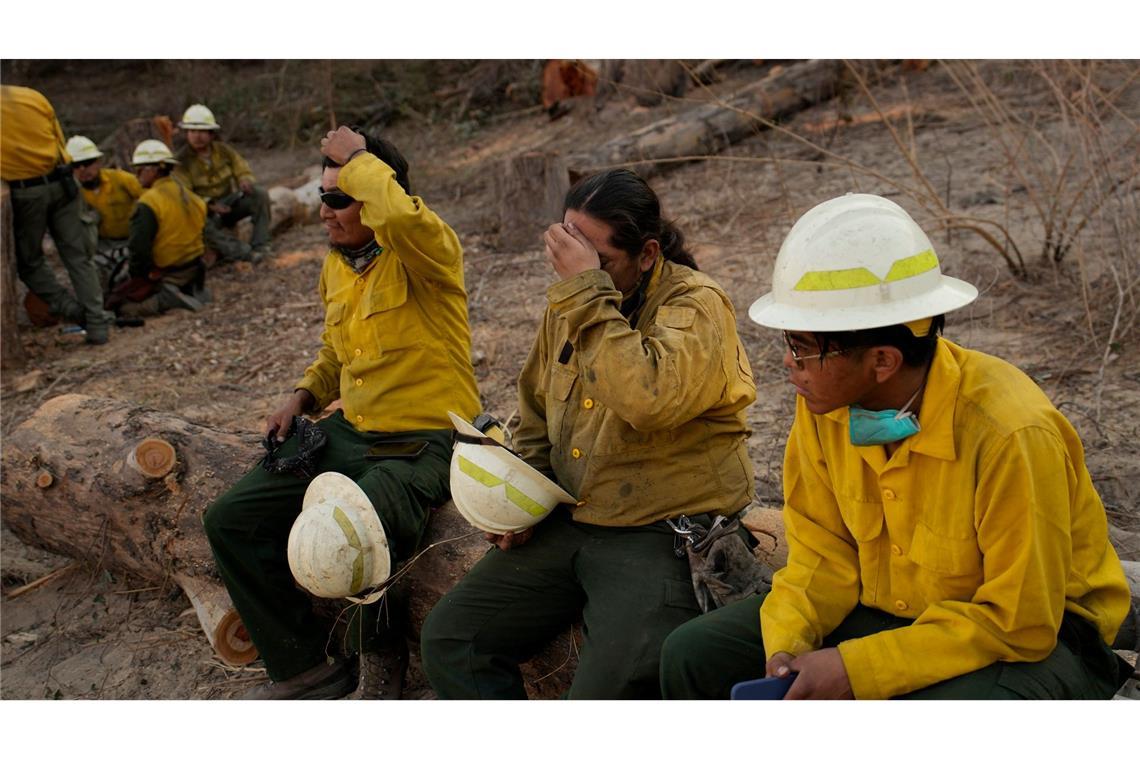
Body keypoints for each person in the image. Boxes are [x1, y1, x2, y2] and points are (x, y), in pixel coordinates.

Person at [659, 193, 1133, 700]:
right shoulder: (826, 403)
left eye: (801, 347)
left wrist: (858, 667)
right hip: (890, 610)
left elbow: (1020, 620)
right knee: (692, 654)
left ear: (882, 361)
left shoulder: (1010, 435)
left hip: (1039, 643)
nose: (788, 364)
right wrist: (786, 646)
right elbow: (822, 554)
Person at [420, 168, 757, 699]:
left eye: (596, 262)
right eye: (567, 252)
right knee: (452, 640)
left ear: (647, 254)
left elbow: (647, 399)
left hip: (660, 532)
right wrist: (520, 502)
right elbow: (535, 412)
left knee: (607, 696)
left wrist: (585, 293)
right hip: (575, 517)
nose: (576, 272)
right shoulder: (573, 303)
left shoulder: (696, 305)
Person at [202, 126, 481, 700]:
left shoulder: (426, 251)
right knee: (231, 517)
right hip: (351, 430)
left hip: (424, 439)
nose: (324, 213)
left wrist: (357, 157)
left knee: (361, 527)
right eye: (322, 198)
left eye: (338, 198)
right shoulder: (337, 265)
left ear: (377, 197)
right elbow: (336, 350)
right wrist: (302, 396)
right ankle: (303, 666)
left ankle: (379, 660)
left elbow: (402, 219)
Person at [1, 85, 112, 344]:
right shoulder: (32, 96)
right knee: (78, 257)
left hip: (24, 192)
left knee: (28, 263)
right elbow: (60, 143)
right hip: (62, 184)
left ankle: (74, 312)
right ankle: (98, 325)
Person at [108, 139, 208, 318]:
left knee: (121, 307)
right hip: (195, 266)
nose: (136, 174)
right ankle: (189, 290)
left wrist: (140, 277)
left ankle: (165, 299)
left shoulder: (149, 202)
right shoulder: (188, 194)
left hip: (167, 271)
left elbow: (139, 249)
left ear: (153, 170)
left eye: (139, 169)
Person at [173, 103, 271, 263]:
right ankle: (243, 253)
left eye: (202, 131)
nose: (197, 136)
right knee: (197, 221)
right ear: (187, 133)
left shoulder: (223, 151)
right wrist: (209, 205)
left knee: (259, 194)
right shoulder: (181, 161)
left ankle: (261, 245)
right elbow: (185, 194)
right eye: (192, 131)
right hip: (203, 212)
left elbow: (241, 166)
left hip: (228, 204)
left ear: (211, 134)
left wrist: (244, 179)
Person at [66, 134, 142, 293]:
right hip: (100, 246)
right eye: (76, 165)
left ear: (98, 162)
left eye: (87, 163)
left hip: (131, 240)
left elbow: (151, 198)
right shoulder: (71, 194)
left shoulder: (121, 180)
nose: (82, 170)